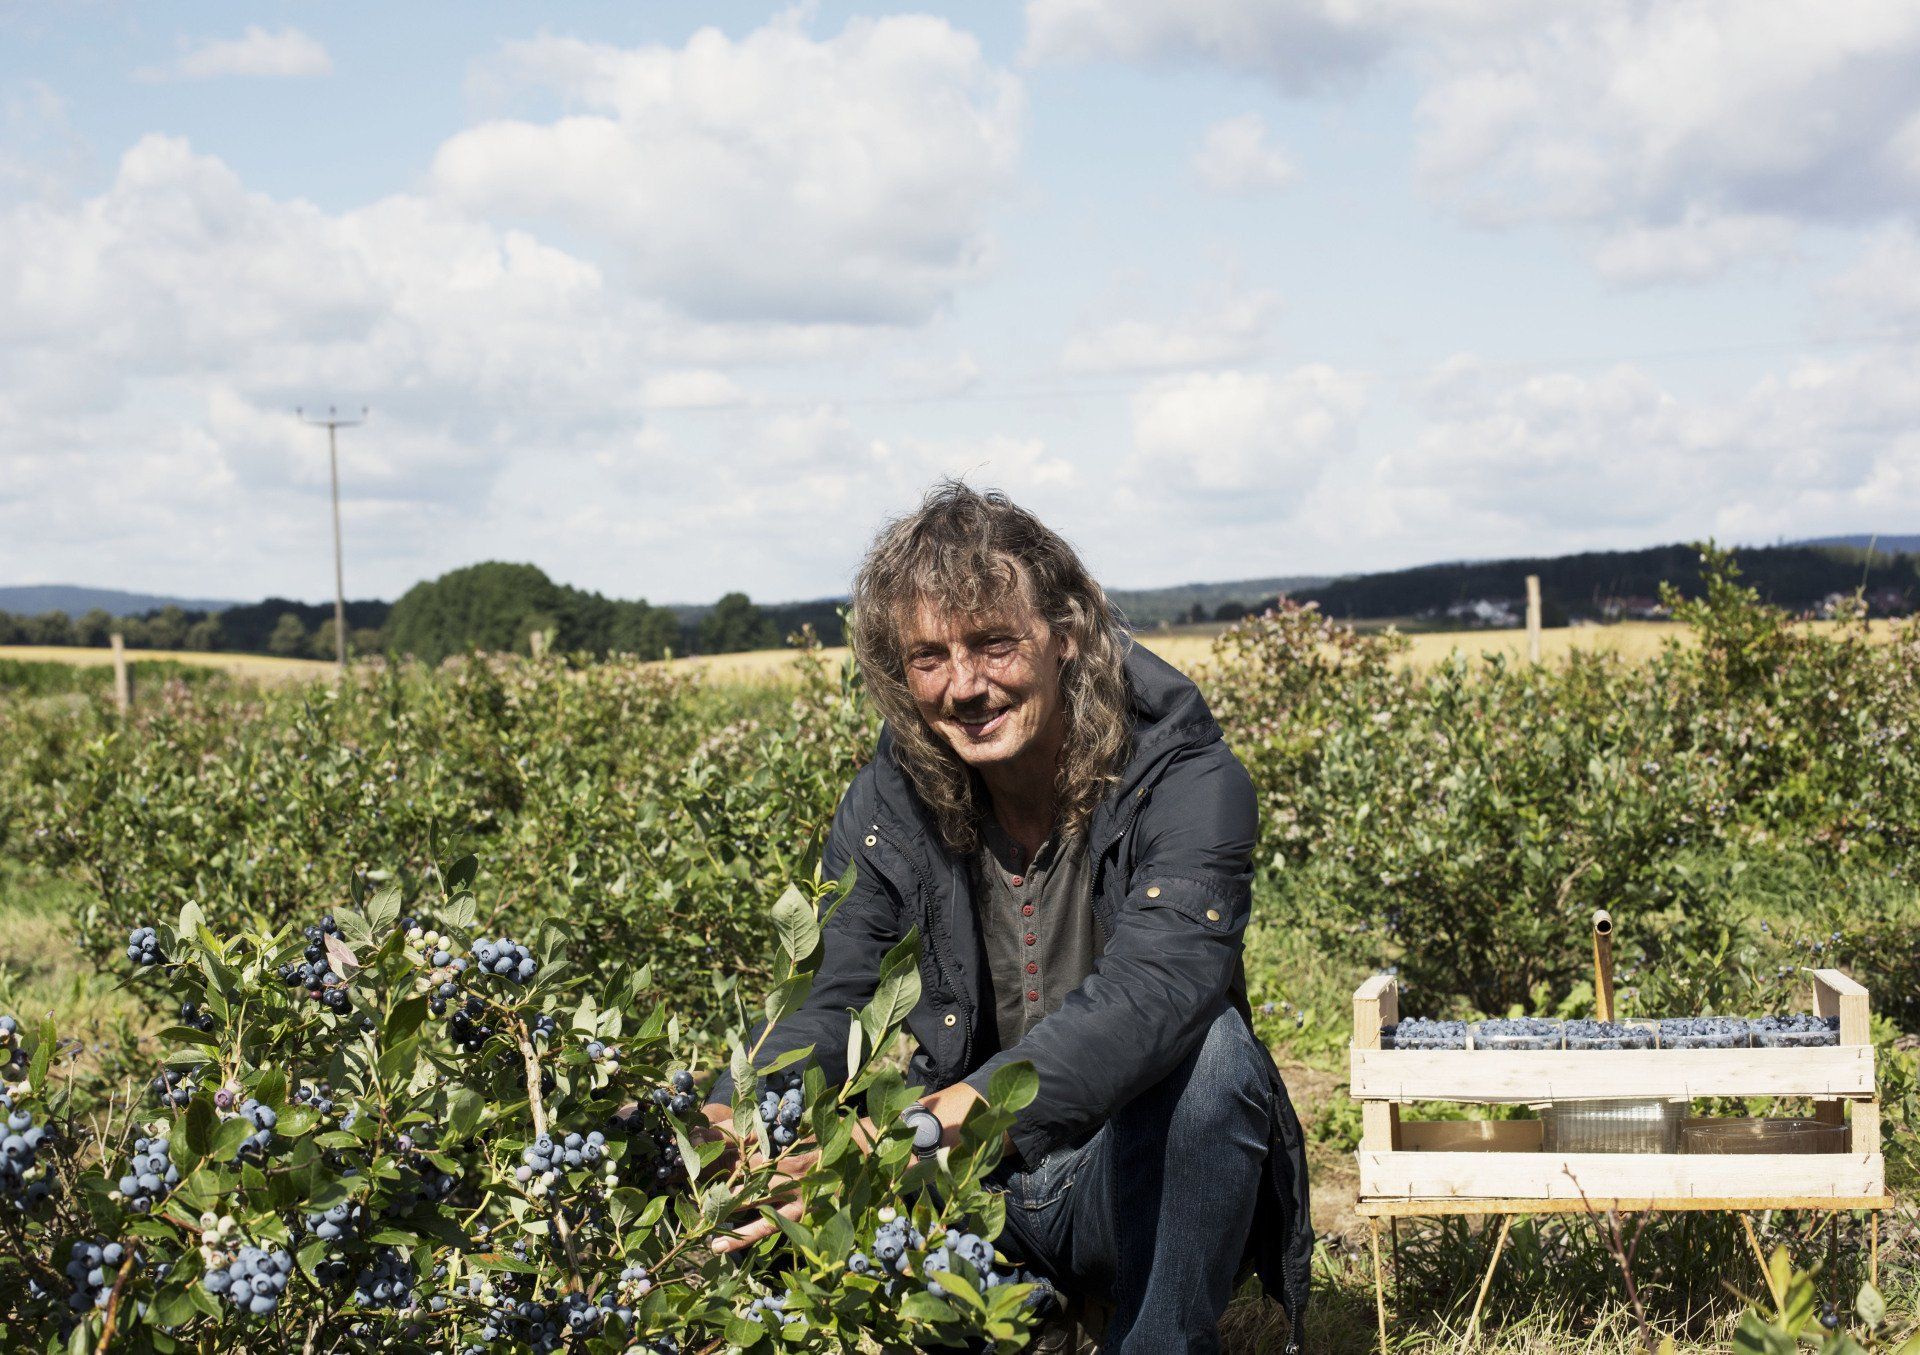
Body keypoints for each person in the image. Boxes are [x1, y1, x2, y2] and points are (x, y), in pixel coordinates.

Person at [704, 482, 1312, 1353]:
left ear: (1065, 636)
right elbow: (831, 990)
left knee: (1214, 1055)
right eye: (929, 658)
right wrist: (741, 1118)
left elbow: (1159, 990)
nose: (965, 685)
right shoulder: (890, 803)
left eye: (994, 644)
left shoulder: (1183, 775)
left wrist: (931, 1124)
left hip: (1113, 1173)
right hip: (961, 1191)